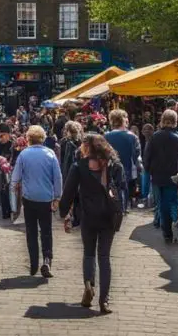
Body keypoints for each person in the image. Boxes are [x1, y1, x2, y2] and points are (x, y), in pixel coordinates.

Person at [59, 133, 123, 314]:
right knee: (104, 257)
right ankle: (104, 300)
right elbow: (123, 187)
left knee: (88, 253)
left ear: (87, 148)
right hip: (109, 216)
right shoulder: (113, 165)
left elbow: (69, 192)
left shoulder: (79, 166)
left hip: (88, 215)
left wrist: (64, 212)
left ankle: (89, 284)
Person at [11, 125, 63, 277]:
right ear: (43, 138)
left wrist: (13, 194)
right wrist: (57, 197)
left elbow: (15, 177)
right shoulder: (50, 154)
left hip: (29, 198)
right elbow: (57, 177)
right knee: (46, 231)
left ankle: (34, 262)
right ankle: (47, 260)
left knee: (31, 231)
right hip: (46, 199)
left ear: (28, 139)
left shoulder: (24, 155)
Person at [145, 110, 178, 244]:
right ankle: (169, 230)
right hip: (172, 175)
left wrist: (148, 170)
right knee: (169, 202)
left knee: (161, 203)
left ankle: (167, 231)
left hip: (156, 175)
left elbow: (147, 156)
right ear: (175, 121)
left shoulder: (155, 136)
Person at [103, 110, 137, 213]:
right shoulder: (132, 136)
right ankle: (122, 208)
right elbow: (135, 154)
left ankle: (112, 206)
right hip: (126, 166)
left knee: (110, 186)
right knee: (124, 187)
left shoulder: (106, 136)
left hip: (110, 166)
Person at [139, 124, 155, 207]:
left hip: (152, 166)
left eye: (149, 130)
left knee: (151, 183)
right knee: (145, 183)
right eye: (145, 130)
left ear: (153, 131)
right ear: (142, 132)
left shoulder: (154, 141)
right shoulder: (141, 141)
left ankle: (150, 201)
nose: (147, 131)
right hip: (144, 165)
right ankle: (145, 199)